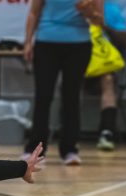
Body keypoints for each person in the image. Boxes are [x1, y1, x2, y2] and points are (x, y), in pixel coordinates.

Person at [22, 0, 103, 165]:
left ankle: (70, 149)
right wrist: (28, 42)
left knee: (71, 97)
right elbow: (33, 13)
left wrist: (89, 12)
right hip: (46, 43)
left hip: (79, 46)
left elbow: (99, 21)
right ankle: (34, 150)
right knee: (43, 96)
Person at [80, 0, 126, 151]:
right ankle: (69, 131)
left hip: (101, 64)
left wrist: (104, 26)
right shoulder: (73, 11)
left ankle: (107, 132)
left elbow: (124, 40)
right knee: (68, 82)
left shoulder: (111, 10)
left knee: (107, 80)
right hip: (78, 62)